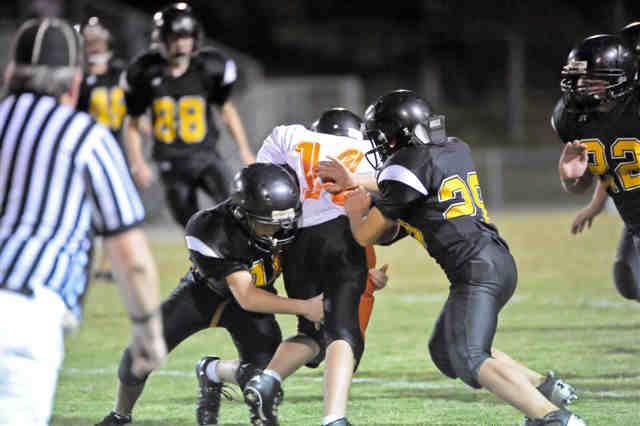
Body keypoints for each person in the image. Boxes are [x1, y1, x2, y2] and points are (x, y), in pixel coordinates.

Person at [331, 90, 584, 425]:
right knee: (446, 351)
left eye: (381, 137)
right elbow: (407, 195)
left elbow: (367, 233)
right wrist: (358, 183)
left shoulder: (404, 170)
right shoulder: (453, 148)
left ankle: (553, 418)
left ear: (396, 135)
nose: (378, 146)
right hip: (495, 261)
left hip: (475, 269)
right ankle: (545, 388)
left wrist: (354, 212)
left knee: (467, 354)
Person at [0, 18, 167, 425]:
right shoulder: (84, 137)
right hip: (21, 313)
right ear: (74, 84)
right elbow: (131, 255)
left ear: (10, 73)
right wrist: (147, 332)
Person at [96, 163, 324, 426]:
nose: (278, 230)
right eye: (267, 223)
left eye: (283, 222)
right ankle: (119, 415)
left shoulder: (288, 222)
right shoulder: (209, 228)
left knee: (263, 378)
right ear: (242, 214)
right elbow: (246, 296)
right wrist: (306, 307)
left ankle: (212, 372)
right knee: (138, 358)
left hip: (255, 301)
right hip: (203, 295)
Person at [235, 109, 388, 426]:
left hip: (296, 245)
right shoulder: (366, 149)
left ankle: (267, 380)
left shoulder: (289, 135)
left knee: (311, 333)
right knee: (343, 333)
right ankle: (334, 418)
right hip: (341, 238)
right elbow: (391, 190)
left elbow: (263, 178)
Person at [122, 2, 255, 228]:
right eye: (175, 37)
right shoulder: (144, 72)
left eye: (186, 37)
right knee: (192, 227)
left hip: (206, 156)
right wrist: (137, 162)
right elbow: (133, 122)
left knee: (236, 209)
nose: (181, 43)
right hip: (170, 162)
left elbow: (226, 110)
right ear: (161, 38)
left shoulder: (208, 68)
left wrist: (245, 150)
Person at [554, 34, 640, 303]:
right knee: (629, 281)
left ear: (622, 79)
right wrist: (571, 178)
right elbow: (595, 178)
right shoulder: (571, 118)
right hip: (635, 221)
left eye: (592, 80)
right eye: (578, 79)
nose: (581, 87)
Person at [76, 16, 128, 282]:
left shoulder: (119, 72)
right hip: (87, 151)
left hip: (115, 150)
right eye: (90, 40)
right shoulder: (80, 77)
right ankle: (86, 259)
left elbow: (132, 110)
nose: (95, 45)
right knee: (85, 209)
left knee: (112, 208)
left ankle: (108, 265)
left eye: (98, 39)